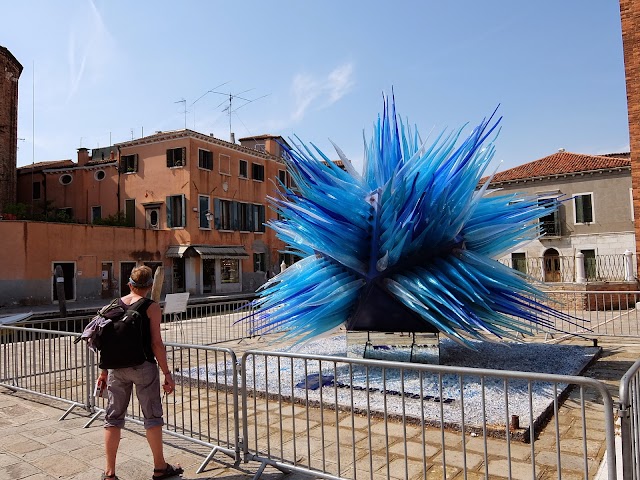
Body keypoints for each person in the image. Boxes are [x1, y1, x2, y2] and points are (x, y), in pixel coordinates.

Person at [97, 265, 183, 480]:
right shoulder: (151, 307)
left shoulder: (114, 305)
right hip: (143, 367)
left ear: (130, 284)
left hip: (116, 369)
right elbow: (156, 343)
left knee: (113, 418)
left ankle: (109, 473)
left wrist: (104, 372)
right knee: (152, 417)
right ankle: (160, 467)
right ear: (150, 286)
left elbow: (106, 341)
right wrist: (167, 374)